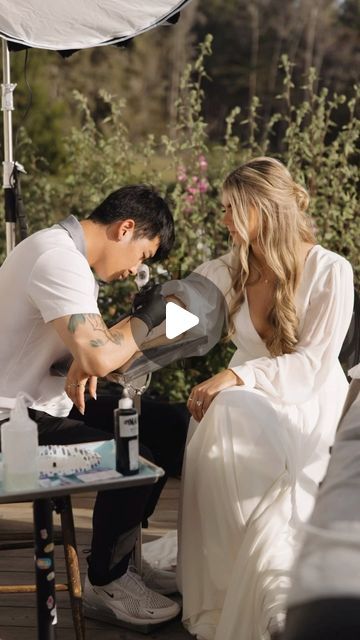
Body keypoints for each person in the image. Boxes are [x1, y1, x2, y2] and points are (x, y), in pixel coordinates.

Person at [174, 157, 354, 640]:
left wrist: (236, 377)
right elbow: (179, 320)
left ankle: (270, 599)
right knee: (226, 414)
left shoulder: (330, 271)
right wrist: (133, 331)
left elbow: (314, 366)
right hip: (240, 407)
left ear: (262, 211)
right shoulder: (229, 270)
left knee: (228, 410)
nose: (224, 219)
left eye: (232, 208)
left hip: (307, 407)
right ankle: (227, 585)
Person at [0, 184, 182, 627]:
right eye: (143, 255)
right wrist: (148, 318)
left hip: (45, 399)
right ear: (126, 229)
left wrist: (93, 355)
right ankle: (108, 579)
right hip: (13, 419)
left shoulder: (65, 254)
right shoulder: (58, 260)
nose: (136, 269)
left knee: (169, 425)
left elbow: (92, 354)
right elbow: (101, 353)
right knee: (136, 456)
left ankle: (122, 554)